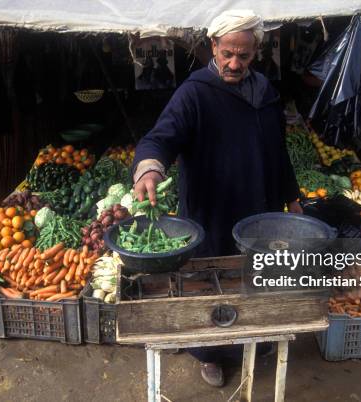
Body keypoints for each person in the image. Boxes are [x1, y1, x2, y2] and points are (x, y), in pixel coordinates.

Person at [131, 9, 302, 387]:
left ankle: (251, 345)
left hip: (258, 208)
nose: (234, 62)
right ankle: (209, 354)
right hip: (211, 209)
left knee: (252, 279)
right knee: (208, 284)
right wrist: (150, 167)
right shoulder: (195, 92)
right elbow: (161, 136)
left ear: (255, 51)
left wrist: (292, 198)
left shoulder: (266, 93)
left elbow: (279, 151)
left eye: (243, 54)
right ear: (213, 46)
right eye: (227, 53)